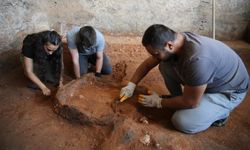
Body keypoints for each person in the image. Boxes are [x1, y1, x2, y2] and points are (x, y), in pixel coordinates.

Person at [119, 24, 249, 134]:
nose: (154, 57)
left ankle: (221, 113)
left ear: (169, 45)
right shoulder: (178, 40)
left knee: (182, 121)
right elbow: (148, 64)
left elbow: (191, 102)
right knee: (165, 64)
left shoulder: (197, 59)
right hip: (208, 80)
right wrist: (131, 85)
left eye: (156, 54)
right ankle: (178, 100)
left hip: (228, 91)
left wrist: (159, 102)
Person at [21, 30, 64, 96]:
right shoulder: (29, 45)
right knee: (35, 83)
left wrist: (60, 80)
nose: (51, 53)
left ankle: (46, 69)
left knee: (54, 80)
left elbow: (60, 64)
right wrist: (43, 87)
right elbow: (29, 71)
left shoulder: (57, 45)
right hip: (33, 57)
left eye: (54, 50)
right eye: (49, 49)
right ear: (43, 44)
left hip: (44, 57)